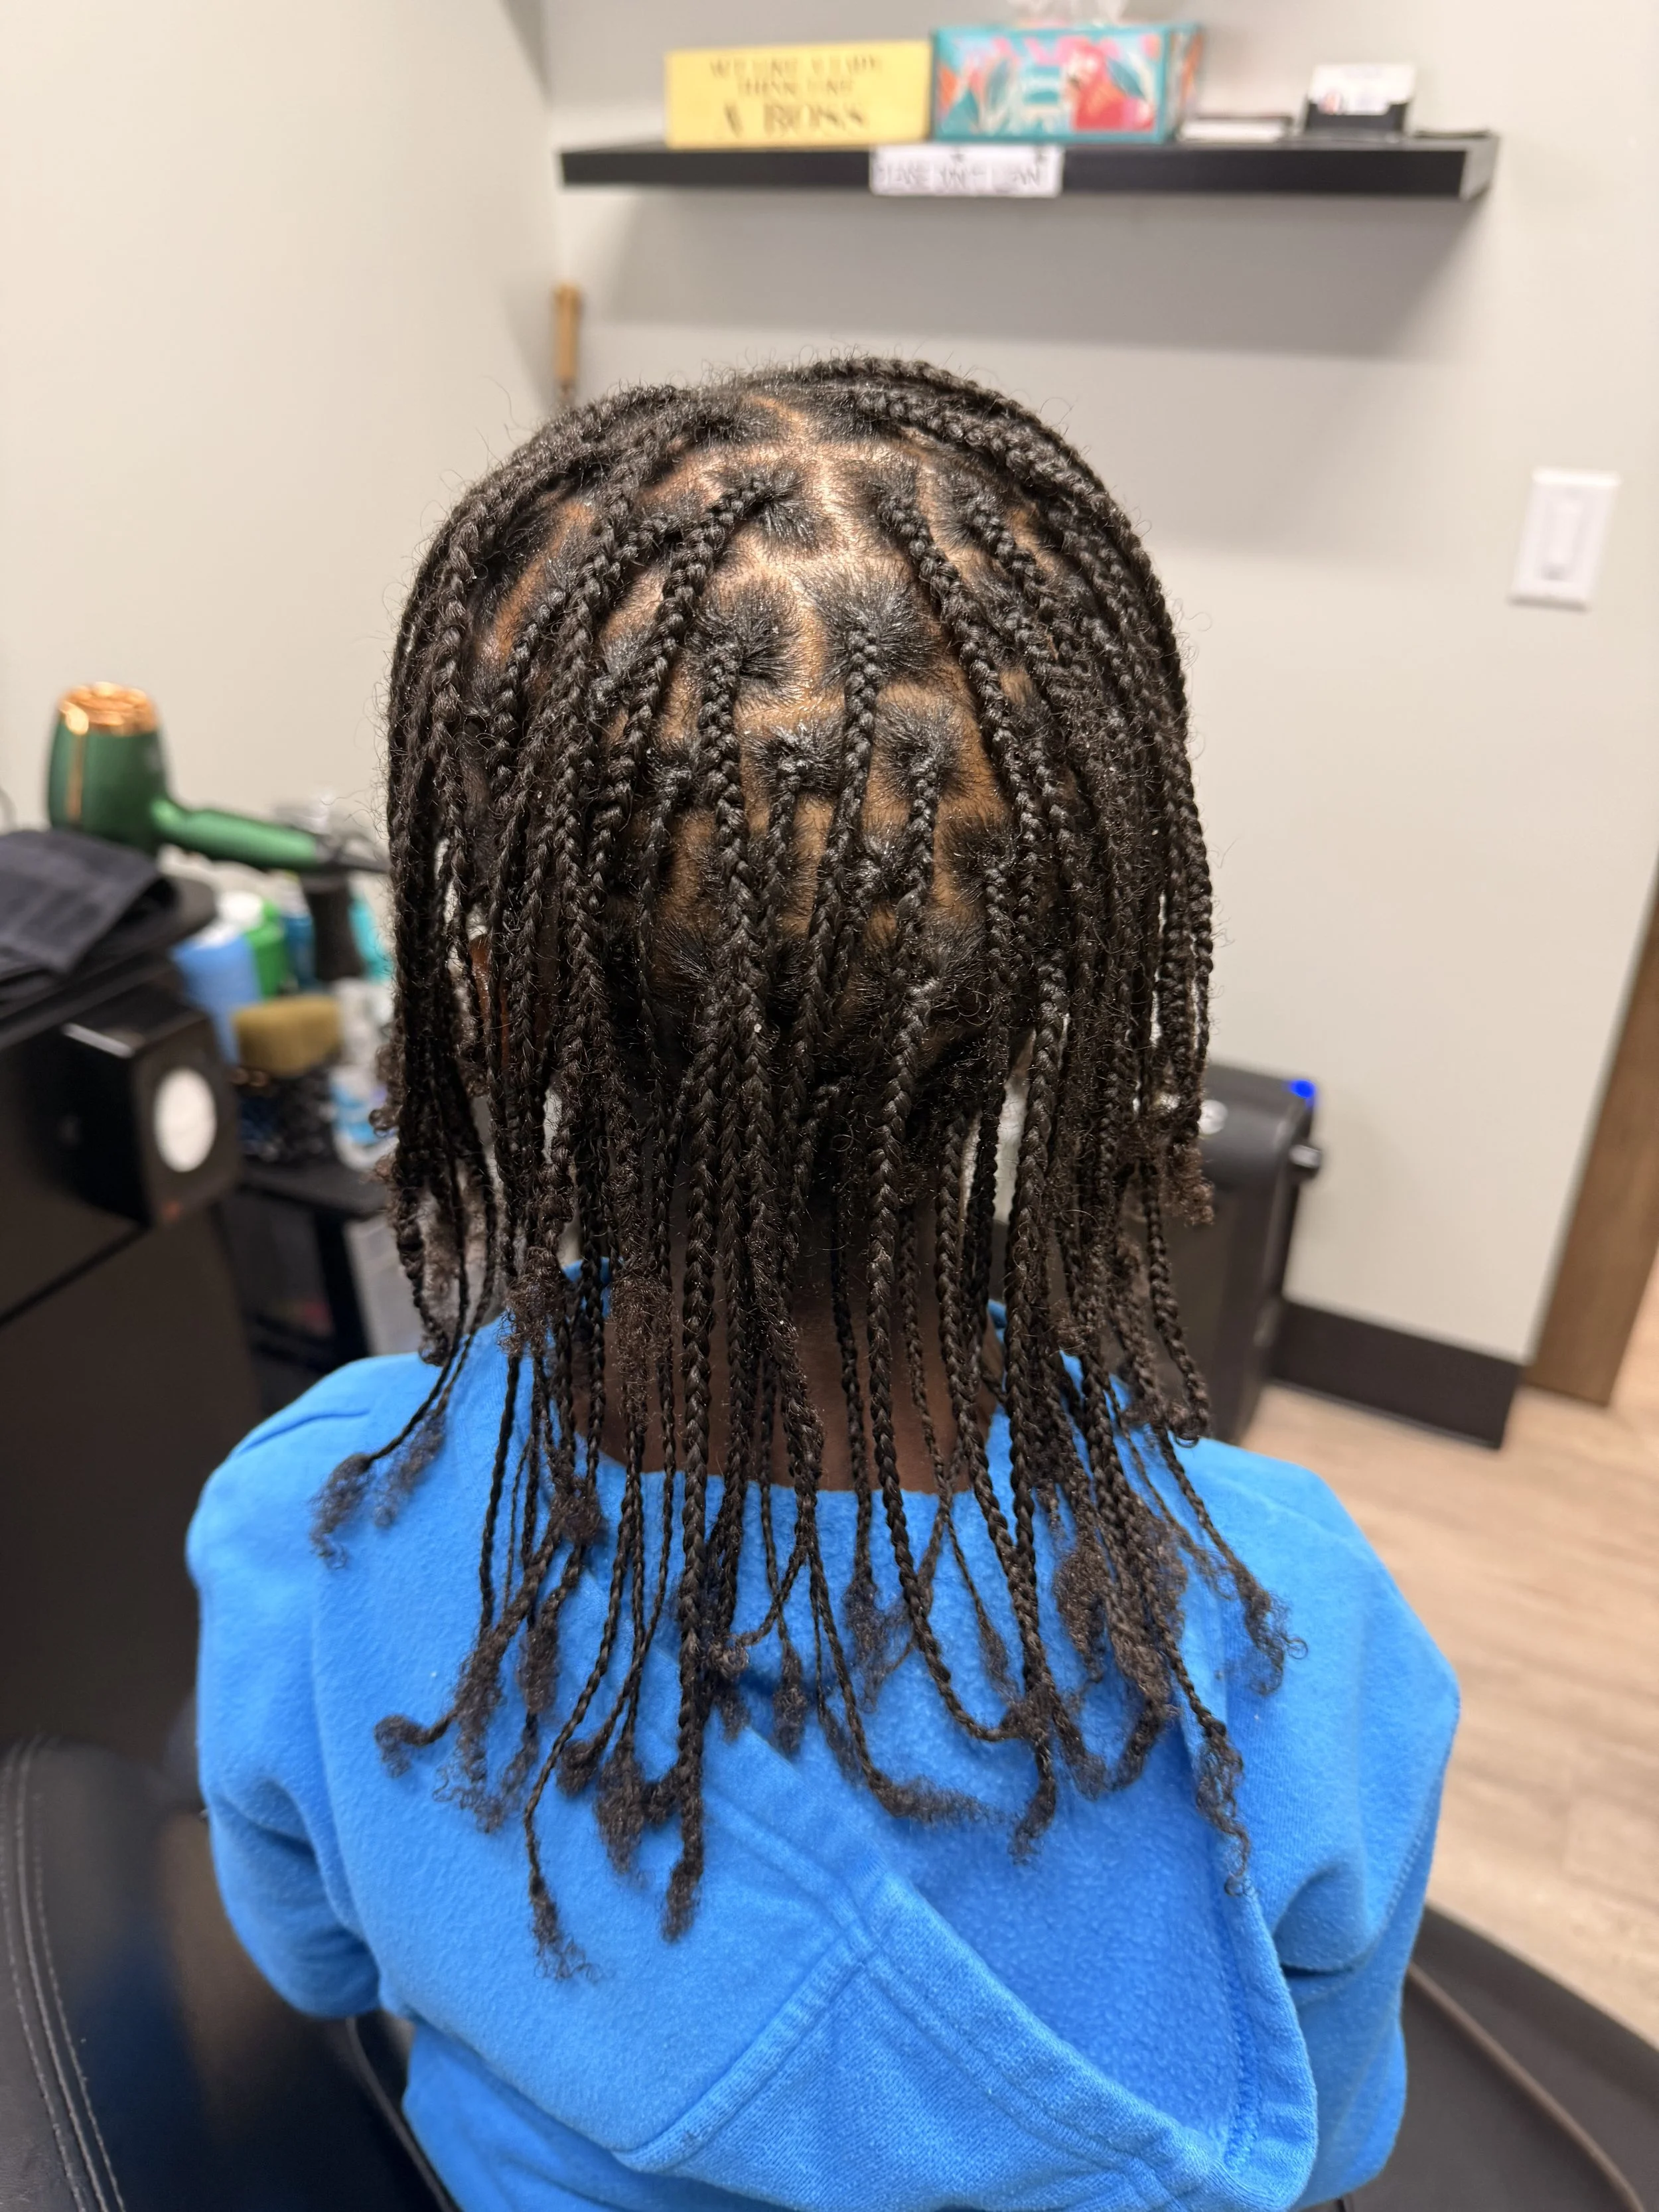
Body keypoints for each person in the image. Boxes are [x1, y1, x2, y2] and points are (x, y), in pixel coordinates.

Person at [188, 360, 1457, 2212]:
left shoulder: (317, 1527)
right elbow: (1327, 2136)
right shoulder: (1285, 1635)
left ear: (498, 1004)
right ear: (1069, 998)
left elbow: (320, 1968)